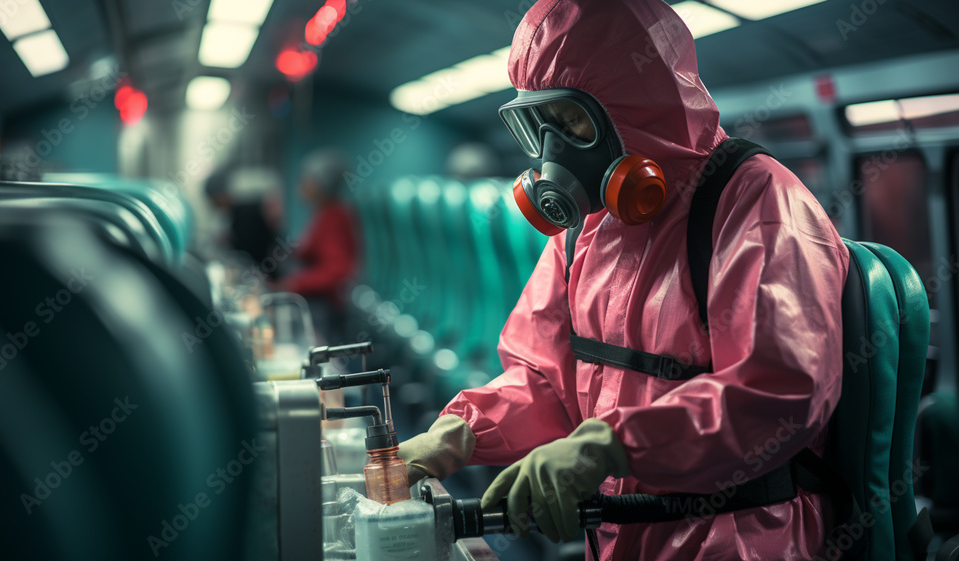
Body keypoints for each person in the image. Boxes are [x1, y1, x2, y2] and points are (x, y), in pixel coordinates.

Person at [398, 0, 849, 559]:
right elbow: (543, 379)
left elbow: (778, 390)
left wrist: (611, 446)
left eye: (571, 123)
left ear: (636, 109)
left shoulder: (756, 203)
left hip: (743, 537)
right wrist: (459, 433)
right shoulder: (581, 231)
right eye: (538, 126)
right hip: (621, 534)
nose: (552, 153)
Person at [277, 149, 359, 341]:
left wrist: (293, 284)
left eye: (306, 180)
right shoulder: (324, 213)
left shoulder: (334, 216)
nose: (301, 185)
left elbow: (337, 270)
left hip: (326, 307)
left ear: (321, 184)